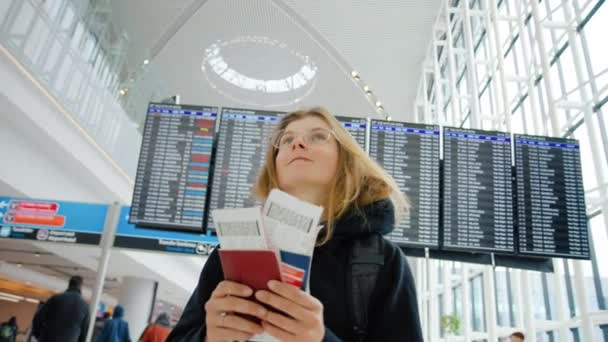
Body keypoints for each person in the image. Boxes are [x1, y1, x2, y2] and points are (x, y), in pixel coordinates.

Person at [167, 107, 423, 341]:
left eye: (318, 136)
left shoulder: (381, 260)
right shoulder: (232, 252)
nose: (297, 143)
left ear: (346, 159)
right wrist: (207, 337)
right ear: (274, 168)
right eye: (286, 140)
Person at [34, 275, 90, 342]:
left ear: (69, 284)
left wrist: (38, 334)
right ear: (81, 287)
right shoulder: (85, 306)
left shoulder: (56, 298)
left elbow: (38, 318)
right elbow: (84, 331)